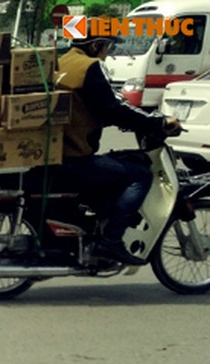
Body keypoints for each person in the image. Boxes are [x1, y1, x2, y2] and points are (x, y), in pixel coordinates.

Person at [54, 34, 180, 265]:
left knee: (118, 163)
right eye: (107, 47)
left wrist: (114, 120)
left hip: (58, 153)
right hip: (75, 157)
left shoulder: (62, 63)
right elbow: (114, 106)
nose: (108, 53)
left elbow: (87, 107)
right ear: (94, 46)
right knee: (140, 174)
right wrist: (159, 122)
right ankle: (110, 241)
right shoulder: (90, 67)